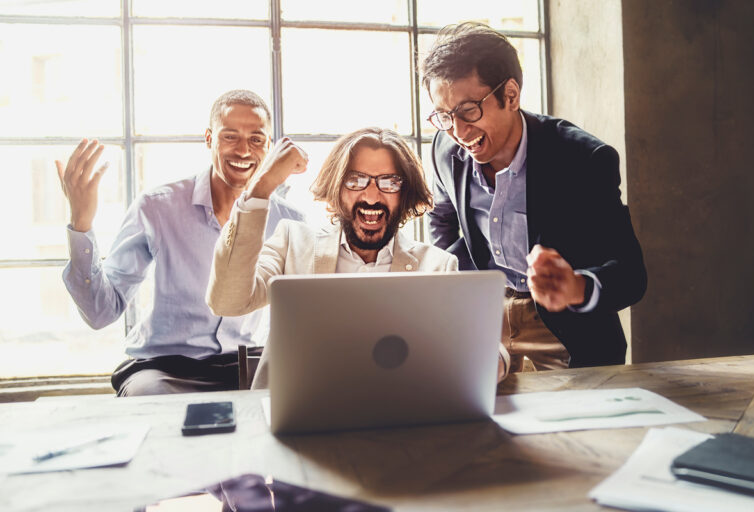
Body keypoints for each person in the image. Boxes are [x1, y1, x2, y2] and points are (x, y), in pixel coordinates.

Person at [421, 23, 647, 385]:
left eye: (468, 111)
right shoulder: (445, 149)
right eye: (444, 115)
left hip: (564, 328)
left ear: (510, 95)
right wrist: (462, 289)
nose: (459, 132)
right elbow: (443, 221)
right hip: (484, 316)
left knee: (575, 434)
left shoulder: (584, 159)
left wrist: (576, 287)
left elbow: (631, 274)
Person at [207, 127, 510, 389]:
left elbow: (486, 351)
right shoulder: (292, 242)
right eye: (356, 180)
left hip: (396, 423)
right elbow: (227, 301)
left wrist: (493, 360)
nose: (372, 196)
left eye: (389, 182)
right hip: (297, 426)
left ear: (405, 194)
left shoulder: (437, 266)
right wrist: (261, 188)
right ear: (336, 189)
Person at [56, 89, 303, 396]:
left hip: (247, 365)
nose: (243, 151)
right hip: (165, 369)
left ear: (269, 147)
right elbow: (99, 312)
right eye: (230, 137)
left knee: (307, 398)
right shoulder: (158, 207)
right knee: (148, 399)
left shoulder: (288, 220)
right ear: (209, 139)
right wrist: (82, 223)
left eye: (256, 139)